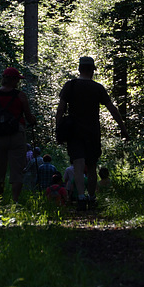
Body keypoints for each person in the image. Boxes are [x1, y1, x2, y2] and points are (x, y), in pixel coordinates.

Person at [56, 56, 129, 211]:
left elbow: (60, 109)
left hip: (74, 132)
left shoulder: (70, 86)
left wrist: (58, 127)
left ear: (79, 69)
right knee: (91, 167)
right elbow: (112, 109)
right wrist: (122, 128)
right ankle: (92, 198)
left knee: (78, 165)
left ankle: (81, 198)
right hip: (92, 133)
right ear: (92, 70)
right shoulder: (98, 88)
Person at [0, 67, 37, 202]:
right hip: (17, 134)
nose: (18, 82)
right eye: (17, 79)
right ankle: (15, 200)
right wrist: (33, 121)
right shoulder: (20, 96)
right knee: (17, 169)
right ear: (13, 80)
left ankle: (0, 199)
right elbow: (28, 116)